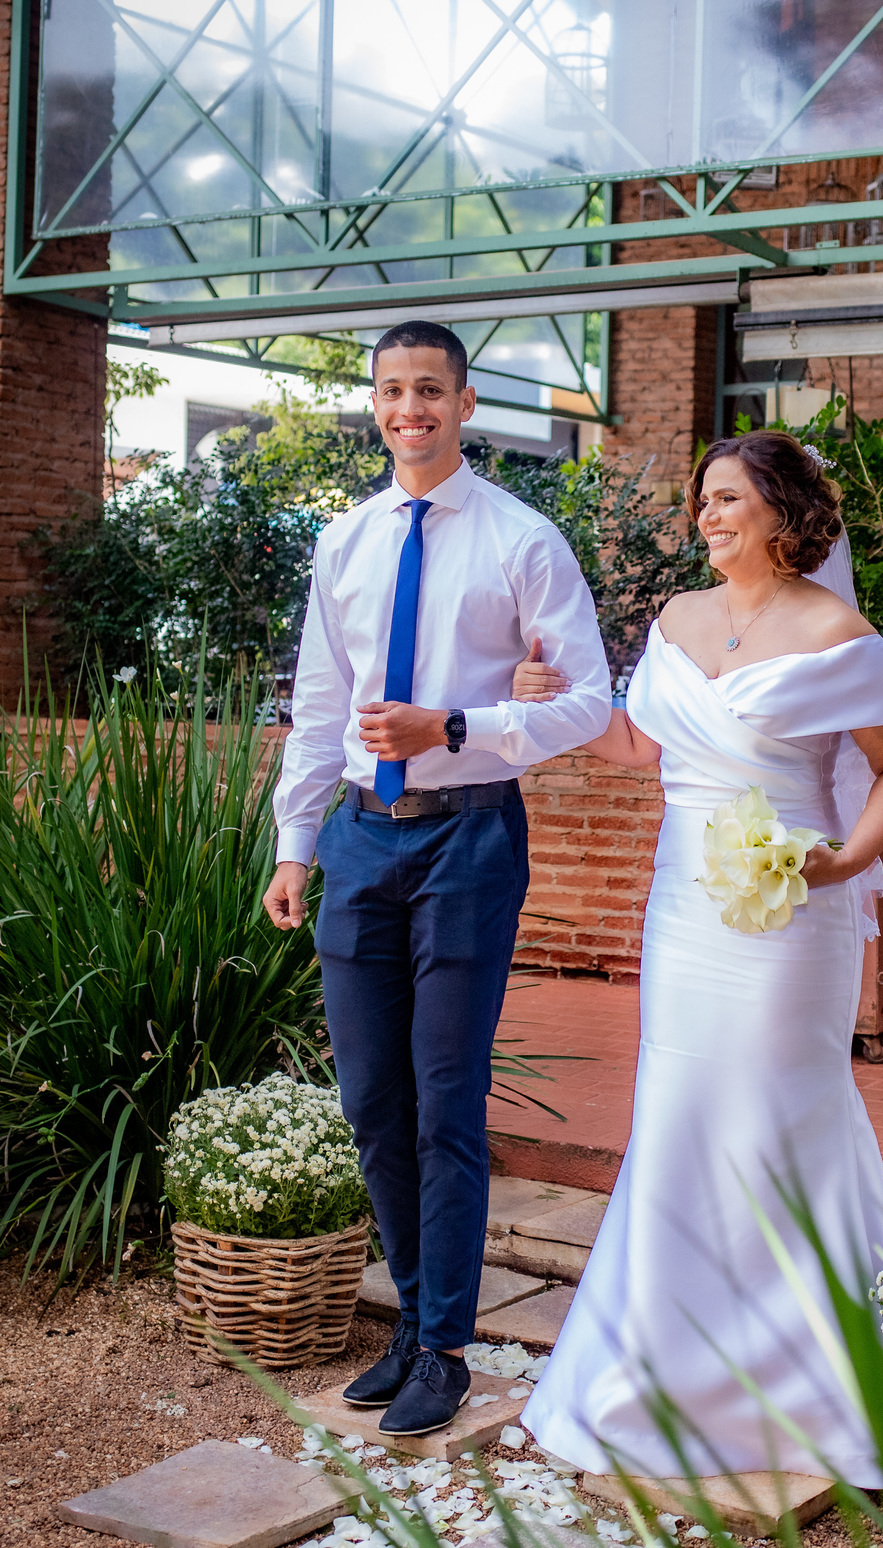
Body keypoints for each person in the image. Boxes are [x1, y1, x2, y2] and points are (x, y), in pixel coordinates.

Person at [515, 430, 883, 1485]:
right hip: (684, 911)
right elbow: (637, 748)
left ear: (784, 513)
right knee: (682, 1114)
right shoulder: (676, 619)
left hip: (793, 914)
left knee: (778, 1117)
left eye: (729, 498)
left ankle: (817, 1384)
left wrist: (847, 861)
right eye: (702, 498)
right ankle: (660, 1376)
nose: (706, 513)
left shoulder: (839, 633)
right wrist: (555, 702)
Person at [262, 320, 611, 1437]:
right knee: (372, 1098)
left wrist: (454, 724)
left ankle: (446, 1346)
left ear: (465, 404)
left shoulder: (523, 540)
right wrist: (295, 843)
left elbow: (588, 703)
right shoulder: (345, 540)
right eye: (391, 391)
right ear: (375, 405)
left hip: (469, 837)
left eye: (429, 390)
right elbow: (321, 704)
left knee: (445, 1098)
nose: (408, 409)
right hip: (361, 838)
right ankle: (412, 1321)